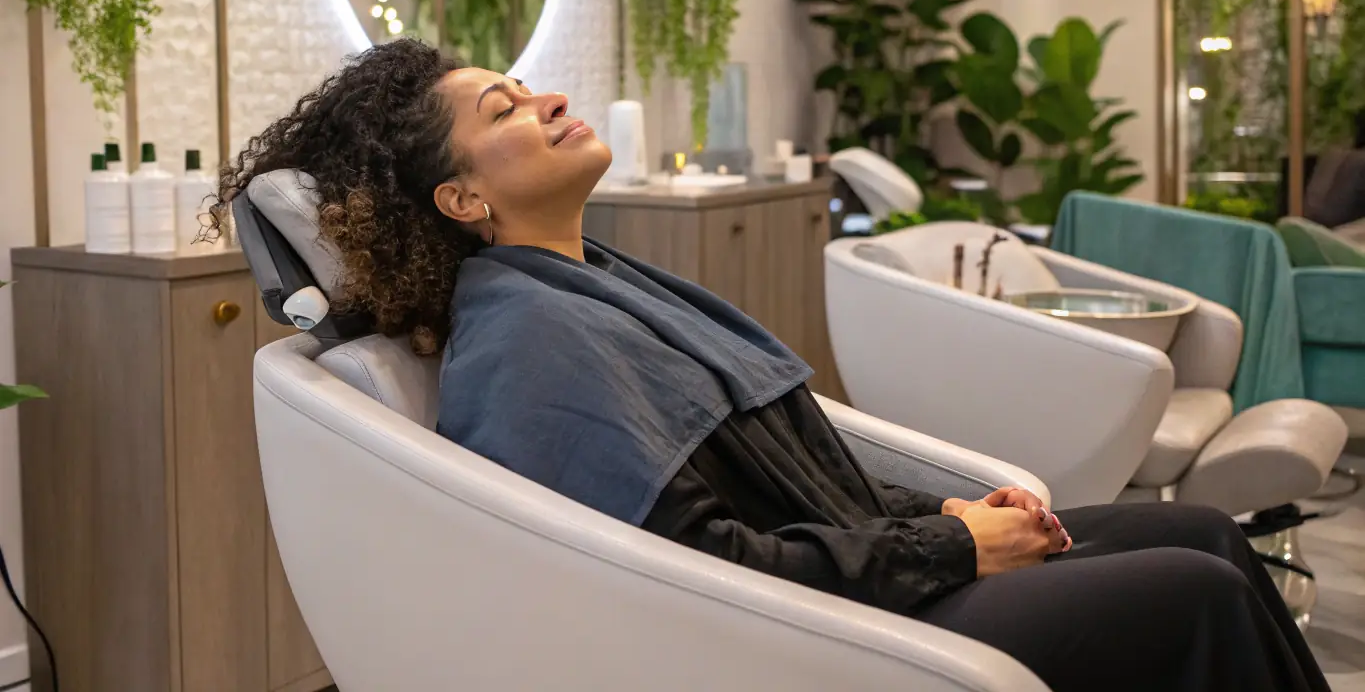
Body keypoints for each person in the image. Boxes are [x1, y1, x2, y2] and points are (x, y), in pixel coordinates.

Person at [217, 39, 1329, 692]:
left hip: (870, 570)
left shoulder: (595, 281)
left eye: (525, 85)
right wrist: (947, 544)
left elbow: (788, 464)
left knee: (1205, 531)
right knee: (1194, 593)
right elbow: (694, 567)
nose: (551, 98)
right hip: (824, 637)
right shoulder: (526, 339)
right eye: (504, 110)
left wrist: (940, 506)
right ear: (461, 200)